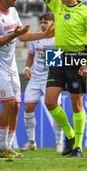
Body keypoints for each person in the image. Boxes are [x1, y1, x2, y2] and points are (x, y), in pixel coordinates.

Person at [24, 0, 87, 158]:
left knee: (77, 104)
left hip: (77, 57)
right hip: (57, 56)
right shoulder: (56, 3)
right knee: (49, 102)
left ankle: (78, 147)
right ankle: (70, 136)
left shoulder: (86, 13)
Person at [0, 0, 54, 159]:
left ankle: (8, 146)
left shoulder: (13, 12)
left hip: (11, 66)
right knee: (8, 104)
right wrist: (12, 35)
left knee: (15, 105)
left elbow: (22, 34)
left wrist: (44, 35)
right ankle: (1, 147)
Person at [21, 13, 63, 153]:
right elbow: (31, 56)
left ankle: (59, 142)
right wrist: (27, 68)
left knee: (55, 110)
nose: (43, 24)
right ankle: (31, 141)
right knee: (28, 108)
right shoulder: (36, 37)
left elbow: (61, 61)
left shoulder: (59, 38)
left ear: (53, 23)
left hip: (51, 78)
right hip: (35, 78)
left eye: (46, 22)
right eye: (42, 22)